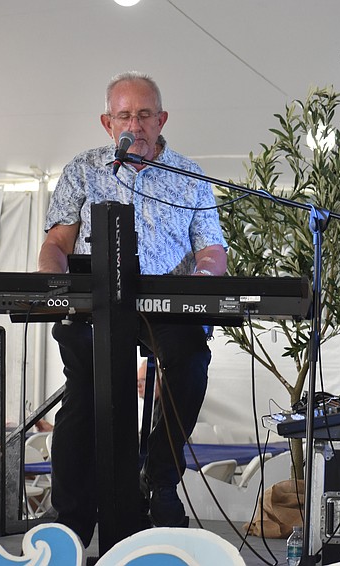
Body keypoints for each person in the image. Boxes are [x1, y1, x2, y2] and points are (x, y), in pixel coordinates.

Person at [38, 71, 227, 546]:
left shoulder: (190, 174)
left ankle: (159, 478)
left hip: (168, 307)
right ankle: (73, 517)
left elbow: (212, 251)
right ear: (107, 122)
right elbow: (56, 243)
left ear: (161, 120)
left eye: (144, 115)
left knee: (189, 360)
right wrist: (55, 285)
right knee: (87, 387)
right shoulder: (83, 169)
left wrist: (203, 280)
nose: (134, 124)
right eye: (124, 115)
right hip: (96, 306)